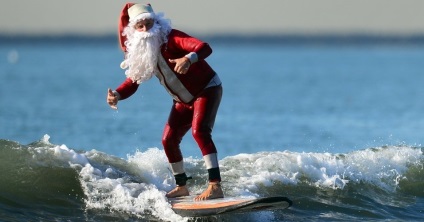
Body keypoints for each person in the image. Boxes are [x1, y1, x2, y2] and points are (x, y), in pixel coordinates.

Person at [106, 3, 224, 201]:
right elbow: (134, 81)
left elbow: (204, 47)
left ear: (157, 22)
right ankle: (182, 186)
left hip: (207, 89)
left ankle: (215, 185)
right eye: (140, 26)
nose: (146, 30)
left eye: (149, 24)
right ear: (133, 30)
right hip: (182, 100)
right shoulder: (144, 51)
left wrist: (188, 58)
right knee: (168, 140)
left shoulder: (172, 38)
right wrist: (117, 94)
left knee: (199, 131)